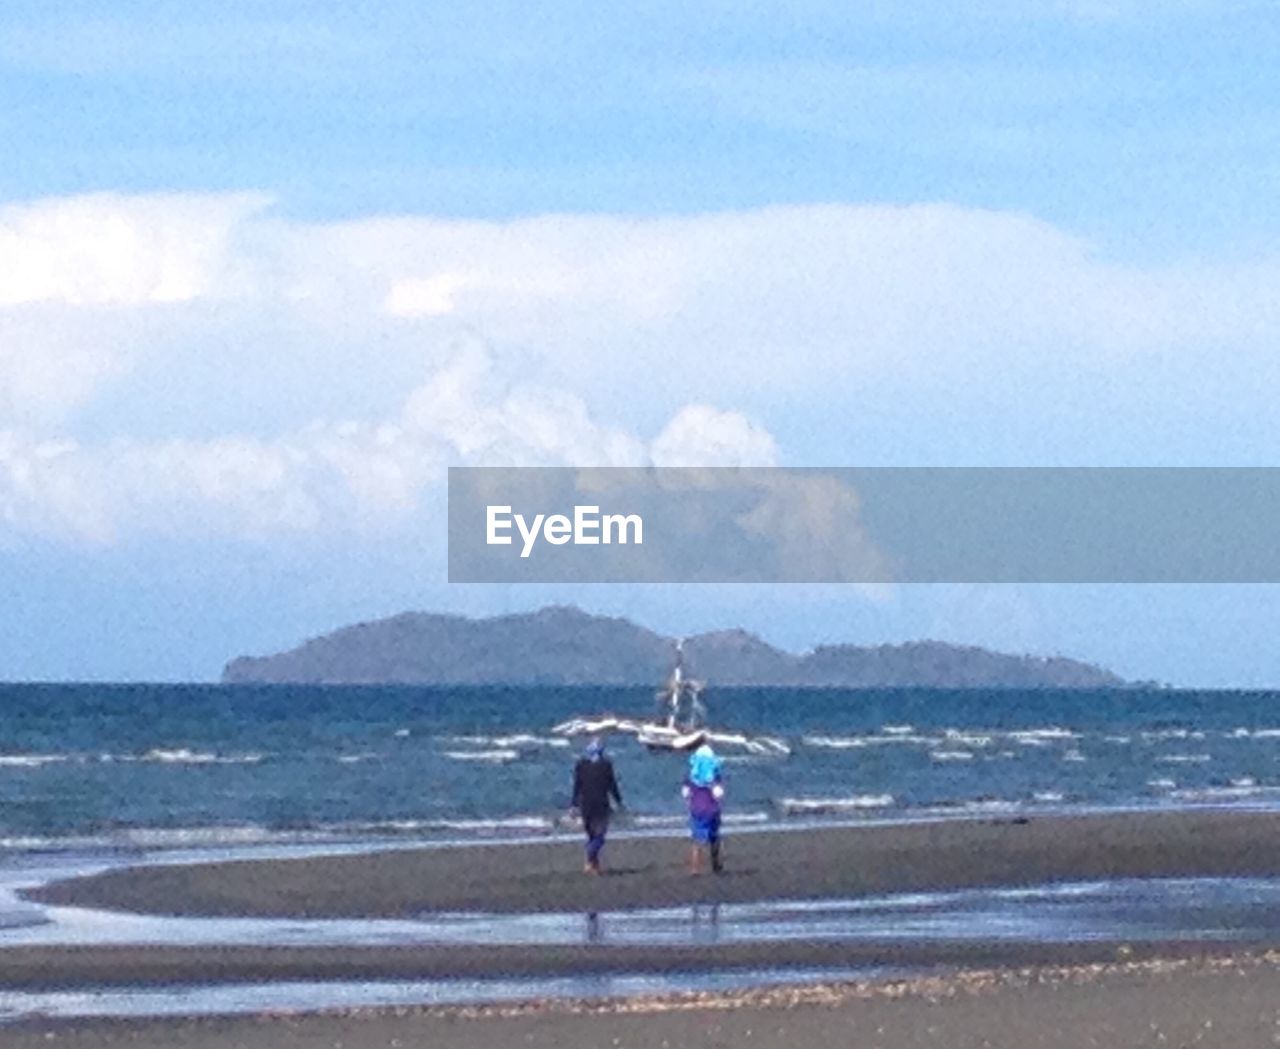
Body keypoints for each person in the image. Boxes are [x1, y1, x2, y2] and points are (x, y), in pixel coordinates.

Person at [571, 737, 622, 874]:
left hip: (586, 805)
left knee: (592, 835)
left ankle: (593, 865)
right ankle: (589, 857)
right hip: (600, 805)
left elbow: (577, 787)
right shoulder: (606, 765)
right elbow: (612, 785)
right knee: (599, 836)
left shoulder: (581, 765)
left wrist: (573, 804)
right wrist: (619, 801)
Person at [682, 742, 724, 875]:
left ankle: (695, 868)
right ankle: (716, 865)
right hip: (712, 810)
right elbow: (719, 793)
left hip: (696, 810)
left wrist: (689, 802)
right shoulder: (714, 777)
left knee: (697, 841)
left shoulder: (690, 777)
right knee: (714, 838)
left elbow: (685, 793)